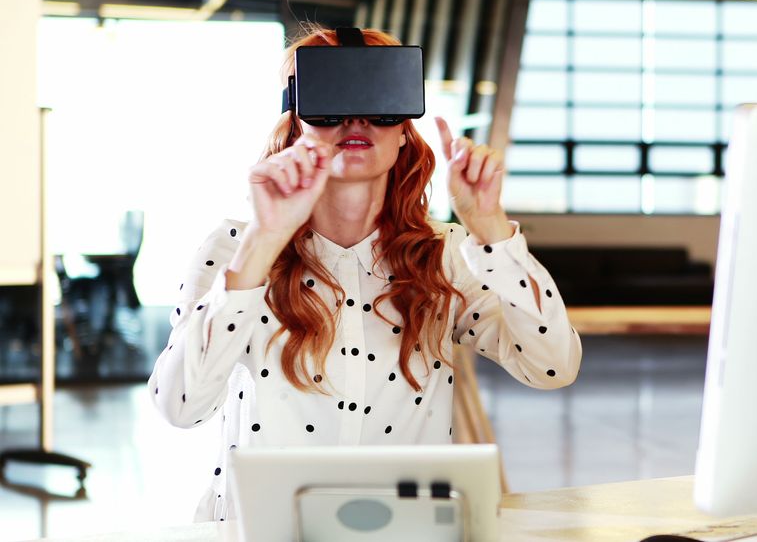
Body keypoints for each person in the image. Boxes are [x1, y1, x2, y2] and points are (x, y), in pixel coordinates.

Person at [146, 26, 583, 522]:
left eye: (380, 97)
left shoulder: (448, 256)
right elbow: (181, 407)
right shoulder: (232, 249)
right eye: (329, 98)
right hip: (264, 529)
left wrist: (492, 231)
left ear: (404, 133)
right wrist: (263, 244)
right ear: (295, 125)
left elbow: (553, 367)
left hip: (407, 529)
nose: (356, 119)